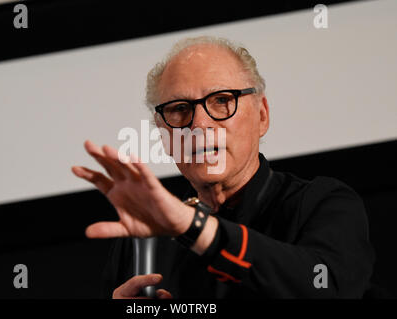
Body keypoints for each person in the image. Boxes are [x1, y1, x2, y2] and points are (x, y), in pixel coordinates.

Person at [71, 36, 374, 298]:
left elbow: (327, 289)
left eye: (221, 100)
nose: (200, 125)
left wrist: (195, 229)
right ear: (164, 135)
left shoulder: (322, 204)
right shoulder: (143, 239)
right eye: (179, 110)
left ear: (262, 115)